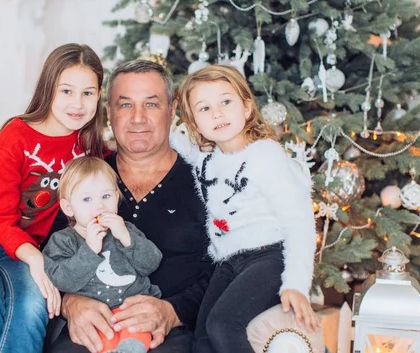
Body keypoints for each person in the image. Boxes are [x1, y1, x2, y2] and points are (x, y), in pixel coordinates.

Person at [0, 43, 106, 353]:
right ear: (48, 90)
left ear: (99, 96)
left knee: (32, 309)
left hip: (19, 249)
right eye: (66, 91)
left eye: (88, 93)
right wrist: (38, 260)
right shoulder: (16, 135)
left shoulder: (89, 147)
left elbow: (130, 155)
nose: (77, 103)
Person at [46, 60, 213, 353]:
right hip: (93, 329)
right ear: (109, 112)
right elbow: (51, 254)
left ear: (172, 110)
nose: (138, 118)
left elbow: (224, 269)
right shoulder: (84, 181)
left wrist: (173, 312)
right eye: (125, 105)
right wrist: (70, 303)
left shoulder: (205, 183)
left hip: (173, 332)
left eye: (151, 104)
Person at [171, 65, 321, 353]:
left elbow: (298, 221)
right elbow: (173, 141)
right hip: (229, 262)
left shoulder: (266, 156)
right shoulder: (206, 158)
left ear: (248, 108)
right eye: (204, 108)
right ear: (194, 123)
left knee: (223, 324)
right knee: (201, 338)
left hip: (269, 256)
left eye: (226, 102)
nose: (217, 113)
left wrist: (296, 284)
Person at [43, 156, 163, 353]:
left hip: (133, 311)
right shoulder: (63, 241)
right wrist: (89, 250)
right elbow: (62, 281)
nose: (99, 206)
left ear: (116, 197)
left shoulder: (126, 230)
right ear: (68, 207)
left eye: (106, 197)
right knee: (100, 340)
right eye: (87, 199)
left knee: (137, 333)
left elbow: (151, 263)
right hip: (96, 318)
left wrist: (126, 238)